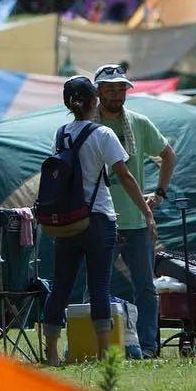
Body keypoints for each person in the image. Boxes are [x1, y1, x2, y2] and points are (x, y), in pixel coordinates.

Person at [44, 76, 155, 366]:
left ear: (68, 103)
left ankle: (52, 352)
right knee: (100, 286)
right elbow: (125, 176)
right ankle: (105, 351)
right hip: (98, 219)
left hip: (67, 219)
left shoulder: (61, 134)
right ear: (94, 101)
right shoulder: (103, 134)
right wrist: (146, 211)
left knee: (61, 285)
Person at [92, 62, 177, 359]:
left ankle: (149, 347)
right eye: (110, 89)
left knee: (145, 287)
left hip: (135, 220)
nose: (117, 94)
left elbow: (168, 155)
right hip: (99, 219)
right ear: (98, 92)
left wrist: (160, 194)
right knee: (95, 285)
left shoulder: (139, 123)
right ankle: (98, 346)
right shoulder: (89, 127)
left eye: (121, 88)